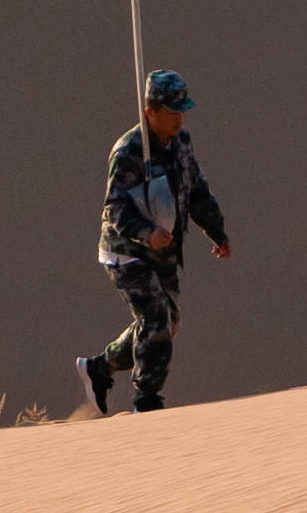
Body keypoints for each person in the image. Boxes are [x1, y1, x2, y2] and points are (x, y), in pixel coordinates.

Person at [80, 72, 234, 412]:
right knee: (157, 318)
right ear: (149, 111)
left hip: (163, 251)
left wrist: (217, 231)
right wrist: (146, 232)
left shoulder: (181, 144)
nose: (180, 118)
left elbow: (196, 191)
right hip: (127, 252)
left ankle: (99, 368)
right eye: (171, 110)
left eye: (183, 110)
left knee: (166, 324)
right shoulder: (129, 152)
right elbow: (115, 207)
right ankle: (146, 400)